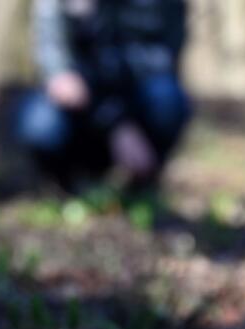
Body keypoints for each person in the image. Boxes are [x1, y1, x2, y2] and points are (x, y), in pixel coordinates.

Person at [17, 0, 192, 191]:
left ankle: (144, 177)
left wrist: (121, 121)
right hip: (83, 103)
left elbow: (166, 57)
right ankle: (65, 182)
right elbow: (55, 64)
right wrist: (115, 124)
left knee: (166, 96)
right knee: (40, 123)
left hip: (136, 94)